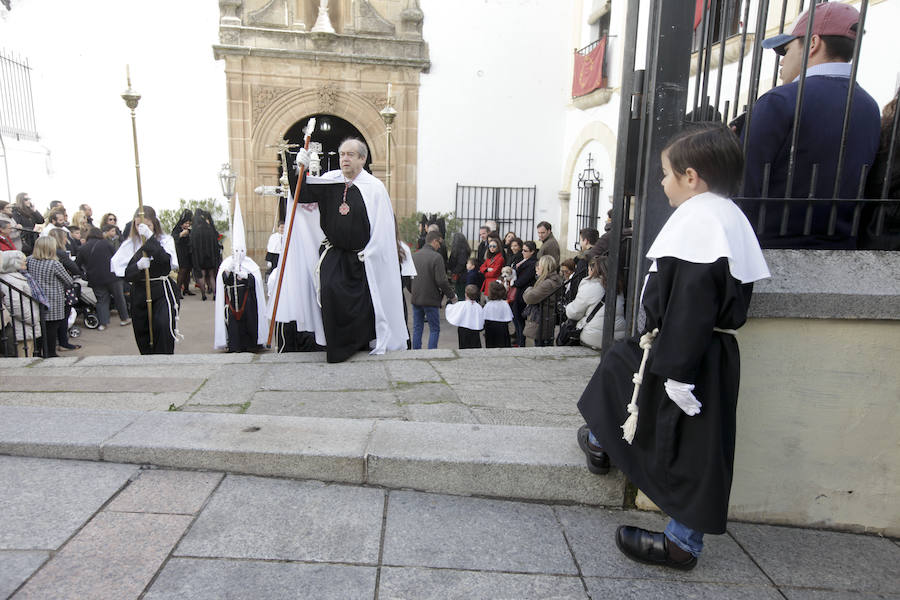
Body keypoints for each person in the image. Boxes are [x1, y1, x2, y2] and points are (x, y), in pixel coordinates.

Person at [577, 123, 769, 570]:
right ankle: (604, 440)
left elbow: (692, 305)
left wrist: (679, 373)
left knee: (692, 449)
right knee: (620, 366)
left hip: (691, 355)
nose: (661, 183)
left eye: (665, 173)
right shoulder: (724, 215)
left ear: (690, 176)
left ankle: (683, 544)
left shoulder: (703, 220)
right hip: (697, 351)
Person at [742, 1, 880, 248]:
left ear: (813, 44)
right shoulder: (870, 106)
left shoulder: (780, 100)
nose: (782, 61)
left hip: (767, 247)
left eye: (785, 50)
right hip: (841, 250)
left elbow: (743, 186)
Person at [290, 137, 408, 362]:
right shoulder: (328, 180)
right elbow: (302, 195)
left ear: (362, 159)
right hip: (334, 253)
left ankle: (360, 344)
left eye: (350, 155)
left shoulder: (374, 187)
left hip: (363, 256)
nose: (344, 158)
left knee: (364, 302)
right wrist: (299, 169)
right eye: (342, 154)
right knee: (330, 290)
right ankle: (336, 347)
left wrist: (371, 252)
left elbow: (384, 227)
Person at [111, 206, 180, 355]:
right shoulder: (129, 244)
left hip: (161, 289)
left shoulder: (165, 240)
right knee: (142, 330)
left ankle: (164, 358)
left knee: (162, 325)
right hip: (140, 291)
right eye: (138, 225)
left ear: (154, 224)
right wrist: (137, 266)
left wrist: (150, 240)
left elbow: (167, 263)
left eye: (147, 225)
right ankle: (148, 358)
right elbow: (124, 273)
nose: (142, 228)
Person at [214, 196, 267, 353]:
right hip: (232, 302)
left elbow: (255, 282)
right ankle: (234, 344)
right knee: (234, 325)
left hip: (248, 302)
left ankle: (252, 343)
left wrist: (246, 276)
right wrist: (228, 272)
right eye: (236, 250)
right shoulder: (227, 264)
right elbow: (223, 282)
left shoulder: (251, 265)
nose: (238, 253)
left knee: (249, 322)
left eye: (240, 250)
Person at [861, 90, 900, 250]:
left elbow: (874, 185)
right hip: (885, 232)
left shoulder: (887, 129)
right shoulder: (890, 131)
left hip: (881, 233)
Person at [565, 255, 627, 351]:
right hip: (618, 337)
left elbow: (574, 313)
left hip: (595, 338)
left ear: (592, 269)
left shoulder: (590, 286)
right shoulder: (618, 287)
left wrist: (567, 307)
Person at [26, 237, 74, 357]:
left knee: (40, 328)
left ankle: (39, 352)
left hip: (36, 298)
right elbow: (68, 281)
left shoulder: (29, 260)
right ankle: (50, 353)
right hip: (53, 299)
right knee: (52, 329)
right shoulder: (54, 264)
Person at [410, 230, 457, 350]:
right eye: (439, 243)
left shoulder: (414, 256)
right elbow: (441, 281)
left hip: (416, 297)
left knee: (417, 327)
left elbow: (406, 277)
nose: (439, 246)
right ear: (434, 241)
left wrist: (413, 290)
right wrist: (451, 296)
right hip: (431, 299)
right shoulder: (437, 257)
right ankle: (431, 354)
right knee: (434, 329)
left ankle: (415, 352)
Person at [77, 226, 130, 331]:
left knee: (101, 300)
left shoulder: (83, 248)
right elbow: (116, 257)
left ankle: (103, 323)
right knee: (119, 298)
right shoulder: (106, 244)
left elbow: (77, 264)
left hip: (95, 278)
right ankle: (124, 318)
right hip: (113, 276)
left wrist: (85, 275)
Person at [522, 254, 561, 347]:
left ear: (544, 267)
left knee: (541, 345)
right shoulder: (549, 280)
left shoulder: (548, 283)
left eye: (538, 266)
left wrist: (529, 289)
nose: (536, 268)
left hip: (543, 320)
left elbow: (529, 298)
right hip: (543, 318)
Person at [510, 240, 537, 347]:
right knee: (515, 320)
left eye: (525, 251)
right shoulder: (523, 260)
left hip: (522, 295)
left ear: (532, 252)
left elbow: (522, 280)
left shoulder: (532, 263)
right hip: (517, 293)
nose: (522, 252)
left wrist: (513, 282)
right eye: (522, 250)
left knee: (519, 321)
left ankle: (521, 343)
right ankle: (518, 340)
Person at [190, 209, 220, 301]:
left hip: (199, 257)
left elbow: (192, 245)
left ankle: (203, 295)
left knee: (201, 275)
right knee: (211, 275)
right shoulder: (210, 228)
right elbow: (216, 242)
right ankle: (215, 294)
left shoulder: (195, 230)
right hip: (210, 255)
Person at [445, 284, 484, 349]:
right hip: (475, 329)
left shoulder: (461, 304)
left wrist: (449, 303)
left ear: (466, 294)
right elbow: (481, 319)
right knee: (475, 345)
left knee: (463, 346)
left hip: (463, 330)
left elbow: (451, 309)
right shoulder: (478, 307)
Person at [483, 280, 513, 348]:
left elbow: (484, 318)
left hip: (490, 329)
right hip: (502, 329)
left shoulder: (488, 305)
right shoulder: (505, 304)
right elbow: (509, 319)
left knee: (491, 347)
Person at [172, 210, 195, 296]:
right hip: (181, 253)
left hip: (189, 253)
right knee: (182, 271)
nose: (187, 225)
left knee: (188, 271)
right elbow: (174, 238)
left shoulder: (190, 230)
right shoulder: (177, 229)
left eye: (189, 223)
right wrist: (181, 234)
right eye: (185, 223)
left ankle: (186, 289)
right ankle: (178, 291)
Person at [447, 232, 470, 300]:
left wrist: (453, 272)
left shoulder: (460, 250)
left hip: (459, 276)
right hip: (460, 275)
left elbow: (461, 264)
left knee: (460, 293)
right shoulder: (463, 250)